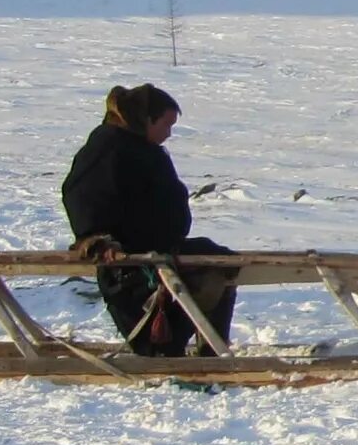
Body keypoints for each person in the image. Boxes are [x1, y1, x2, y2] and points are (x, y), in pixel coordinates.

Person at [61, 84, 239, 356]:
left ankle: (211, 350)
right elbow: (81, 193)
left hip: (159, 247)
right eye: (166, 124)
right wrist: (95, 237)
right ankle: (174, 350)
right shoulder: (107, 146)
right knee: (206, 272)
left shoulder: (137, 145)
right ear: (147, 119)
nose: (169, 133)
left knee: (223, 263)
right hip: (130, 264)